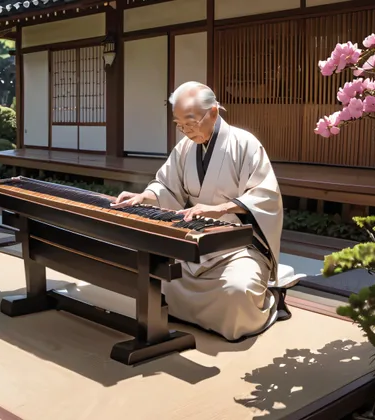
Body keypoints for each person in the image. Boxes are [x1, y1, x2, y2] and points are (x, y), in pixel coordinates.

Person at [112, 81, 296, 341]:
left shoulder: (245, 144)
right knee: (158, 277)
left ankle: (273, 299)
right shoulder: (185, 148)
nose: (185, 131)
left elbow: (265, 196)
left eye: (190, 123)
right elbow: (167, 185)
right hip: (197, 242)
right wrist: (144, 196)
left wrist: (221, 208)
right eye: (179, 125)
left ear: (213, 112)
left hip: (238, 246)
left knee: (236, 291)